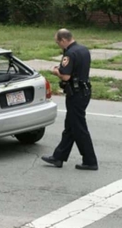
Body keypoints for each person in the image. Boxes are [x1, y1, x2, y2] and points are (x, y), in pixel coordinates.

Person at [42, 29, 98, 171]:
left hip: (76, 94)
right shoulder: (84, 50)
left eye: (57, 42)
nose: (58, 45)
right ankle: (58, 157)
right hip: (84, 91)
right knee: (70, 126)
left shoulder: (70, 53)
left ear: (63, 40)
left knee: (78, 127)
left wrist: (56, 72)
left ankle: (90, 160)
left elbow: (66, 76)